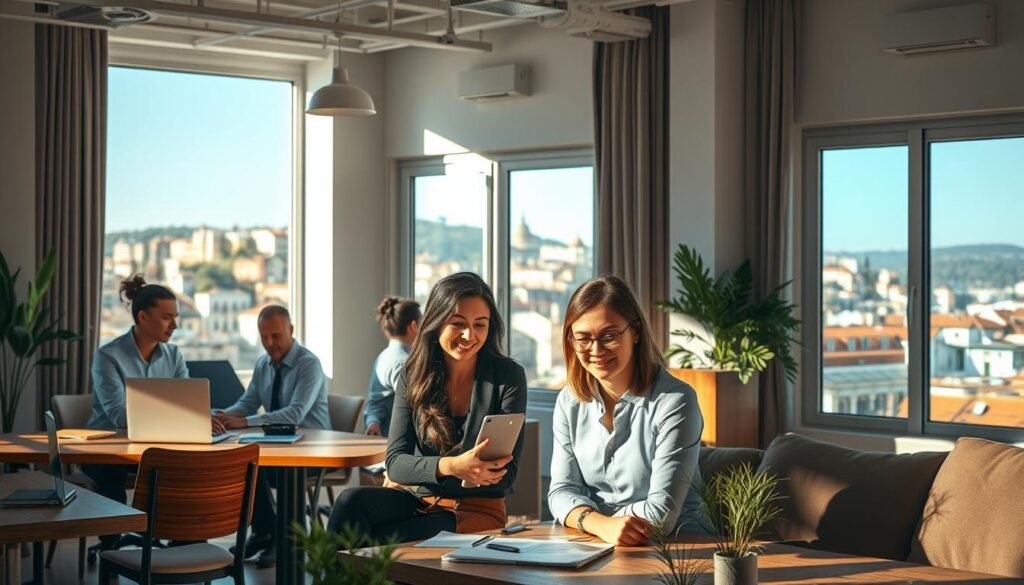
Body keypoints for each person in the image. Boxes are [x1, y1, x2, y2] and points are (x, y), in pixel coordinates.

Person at [328, 272, 527, 543]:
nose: (469, 335)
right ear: (437, 322)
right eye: (458, 323)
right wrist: (453, 466)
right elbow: (396, 463)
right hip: (416, 498)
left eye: (480, 325)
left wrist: (429, 470)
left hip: (472, 509)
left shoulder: (508, 376)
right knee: (350, 502)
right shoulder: (414, 373)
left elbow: (507, 475)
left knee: (381, 538)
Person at [548, 275, 704, 546]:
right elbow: (560, 491)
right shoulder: (569, 401)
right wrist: (601, 524)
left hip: (680, 547)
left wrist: (584, 517)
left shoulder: (675, 401)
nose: (595, 349)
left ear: (635, 332)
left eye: (609, 336)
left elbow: (661, 515)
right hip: (598, 540)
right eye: (583, 338)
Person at [214, 304, 330, 568]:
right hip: (279, 446)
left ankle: (276, 538)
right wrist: (220, 416)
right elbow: (247, 403)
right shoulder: (263, 364)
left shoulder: (308, 364)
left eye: (275, 336)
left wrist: (243, 422)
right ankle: (266, 534)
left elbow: (295, 414)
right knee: (245, 465)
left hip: (313, 452)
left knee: (257, 468)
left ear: (291, 330)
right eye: (264, 337)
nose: (269, 343)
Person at [85, 274, 188, 548]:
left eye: (175, 317)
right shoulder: (108, 356)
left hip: (155, 449)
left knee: (191, 469)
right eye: (167, 317)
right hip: (108, 450)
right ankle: (111, 550)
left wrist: (201, 416)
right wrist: (176, 414)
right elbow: (119, 415)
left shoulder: (174, 356)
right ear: (143, 318)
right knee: (111, 473)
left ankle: (183, 549)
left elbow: (188, 406)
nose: (175, 325)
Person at [364, 296, 421, 437]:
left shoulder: (383, 357)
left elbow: (376, 401)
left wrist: (373, 422)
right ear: (414, 326)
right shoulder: (403, 363)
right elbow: (416, 409)